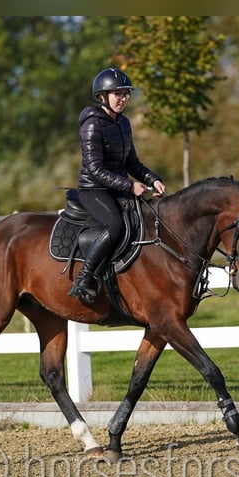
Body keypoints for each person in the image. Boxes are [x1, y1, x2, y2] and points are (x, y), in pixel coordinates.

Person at [68, 67, 166, 304]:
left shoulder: (123, 123)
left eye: (125, 94)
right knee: (115, 225)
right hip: (94, 189)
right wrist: (130, 187)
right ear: (102, 96)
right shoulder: (92, 124)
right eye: (117, 93)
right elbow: (95, 169)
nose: (122, 98)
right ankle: (84, 278)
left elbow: (132, 162)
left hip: (118, 187)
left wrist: (152, 178)